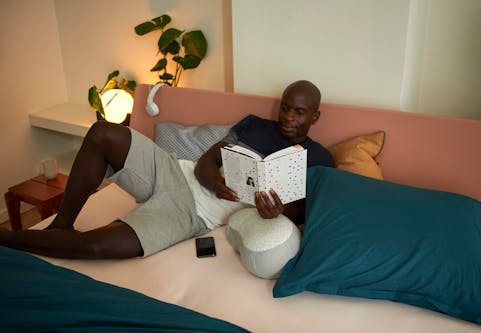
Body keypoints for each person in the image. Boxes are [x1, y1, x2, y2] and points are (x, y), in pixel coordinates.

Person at [0, 80, 332, 259]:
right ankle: (61, 225)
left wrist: (276, 212)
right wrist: (214, 182)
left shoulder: (318, 158)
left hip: (193, 213)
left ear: (314, 116)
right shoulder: (254, 126)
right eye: (285, 108)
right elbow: (208, 159)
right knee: (103, 131)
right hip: (177, 171)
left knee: (98, 247)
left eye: (299, 113)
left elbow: (301, 212)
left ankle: (12, 240)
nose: (288, 117)